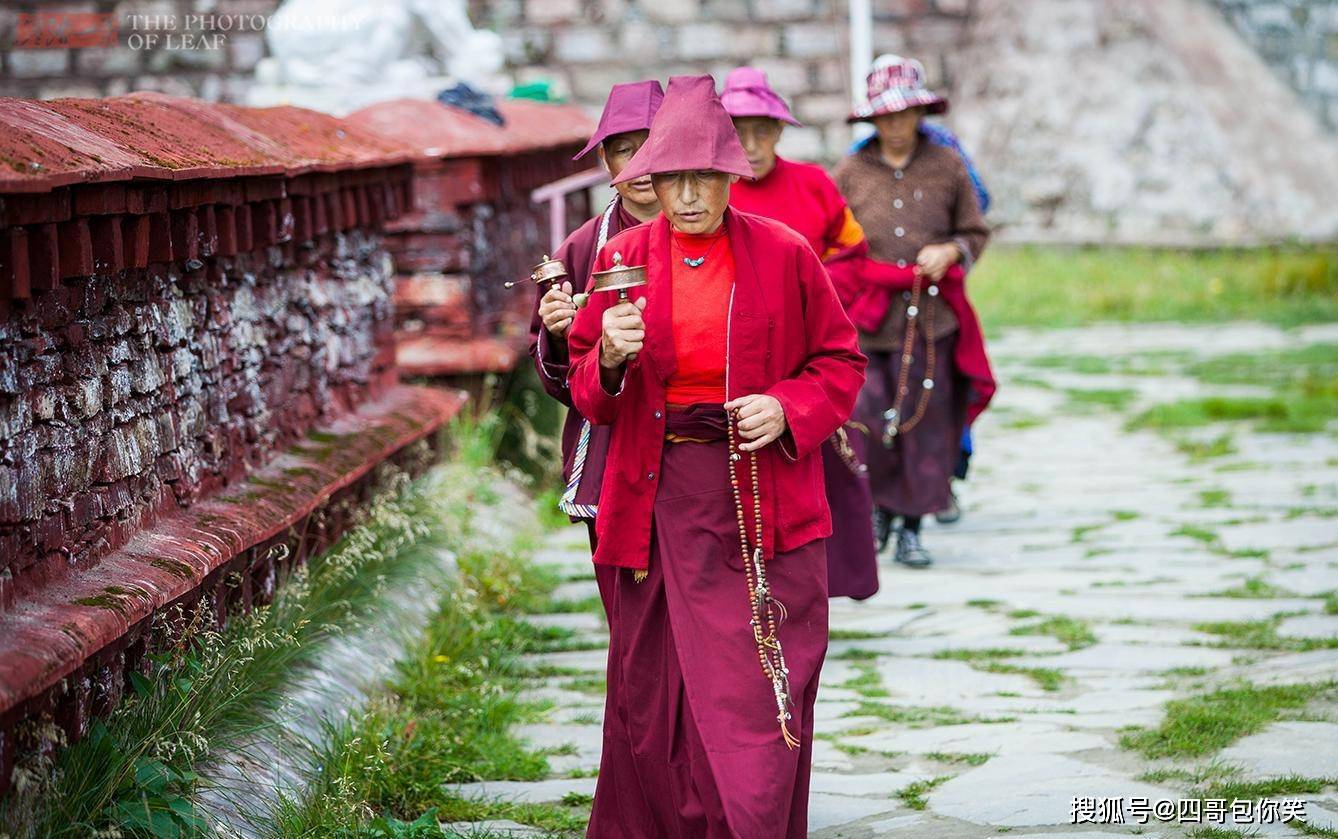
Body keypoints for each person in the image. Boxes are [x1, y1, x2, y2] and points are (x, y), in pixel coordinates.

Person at [566, 74, 866, 838]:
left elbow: (841, 362)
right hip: (655, 499)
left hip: (760, 495)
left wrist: (787, 406)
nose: (689, 195)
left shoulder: (785, 253)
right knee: (655, 691)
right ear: (650, 183)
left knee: (759, 691)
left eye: (704, 177)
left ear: (732, 177)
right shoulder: (624, 259)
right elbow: (587, 393)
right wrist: (606, 355)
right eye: (671, 179)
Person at [721, 66, 879, 601]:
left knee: (831, 472)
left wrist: (804, 304)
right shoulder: (709, 195)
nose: (751, 143)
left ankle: (824, 589)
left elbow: (852, 253)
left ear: (781, 131)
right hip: (734, 362)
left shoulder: (813, 184)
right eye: (738, 129)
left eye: (762, 129)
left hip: (812, 356)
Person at [833, 54, 996, 569]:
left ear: (921, 114)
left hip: (932, 320)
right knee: (866, 418)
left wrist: (950, 251)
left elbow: (974, 230)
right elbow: (833, 242)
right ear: (872, 119)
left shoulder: (947, 165)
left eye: (905, 114)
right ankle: (879, 508)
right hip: (869, 318)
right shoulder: (850, 172)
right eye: (886, 116)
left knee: (925, 424)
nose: (896, 125)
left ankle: (911, 527)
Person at [528, 80, 664, 551]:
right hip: (613, 439)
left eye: (653, 146)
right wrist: (559, 331)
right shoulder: (583, 248)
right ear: (606, 162)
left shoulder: (709, 231)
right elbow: (557, 376)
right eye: (625, 151)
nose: (641, 164)